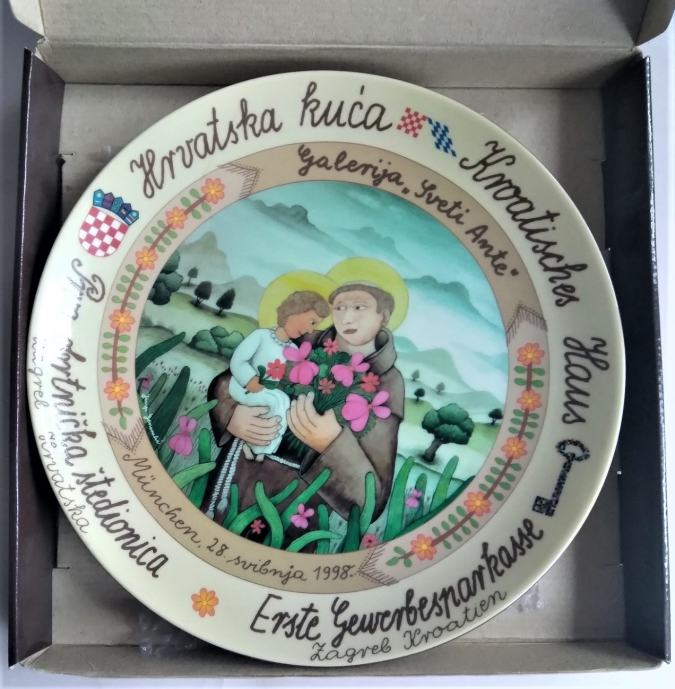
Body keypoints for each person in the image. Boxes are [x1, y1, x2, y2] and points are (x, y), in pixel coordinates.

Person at [201, 262, 407, 543]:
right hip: (236, 477)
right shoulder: (302, 341)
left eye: (360, 307)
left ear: (384, 316)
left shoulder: (387, 383)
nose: (347, 316)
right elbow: (230, 380)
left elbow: (371, 498)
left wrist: (331, 444)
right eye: (340, 306)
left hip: (296, 510)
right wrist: (232, 412)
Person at [228, 290, 329, 461]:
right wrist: (249, 379)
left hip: (266, 390)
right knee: (275, 401)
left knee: (283, 401)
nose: (310, 329)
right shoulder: (261, 336)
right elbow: (238, 360)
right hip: (243, 386)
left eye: (315, 325)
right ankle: (254, 445)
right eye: (311, 322)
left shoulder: (294, 350)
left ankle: (264, 449)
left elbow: (288, 378)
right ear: (295, 310)